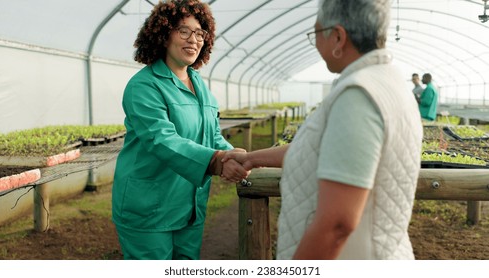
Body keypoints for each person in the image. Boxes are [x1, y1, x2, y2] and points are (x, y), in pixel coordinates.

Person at [223, 0, 423, 259]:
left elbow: (337, 224)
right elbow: (321, 149)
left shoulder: (359, 95)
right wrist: (251, 158)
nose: (315, 43)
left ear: (338, 37)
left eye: (316, 34)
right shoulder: (388, 81)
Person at [111, 0, 249, 260]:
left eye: (199, 33)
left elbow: (212, 136)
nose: (193, 40)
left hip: (189, 205)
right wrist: (216, 161)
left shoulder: (199, 84)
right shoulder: (144, 86)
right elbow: (161, 140)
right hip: (149, 208)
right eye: (184, 31)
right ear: (163, 34)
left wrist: (239, 157)